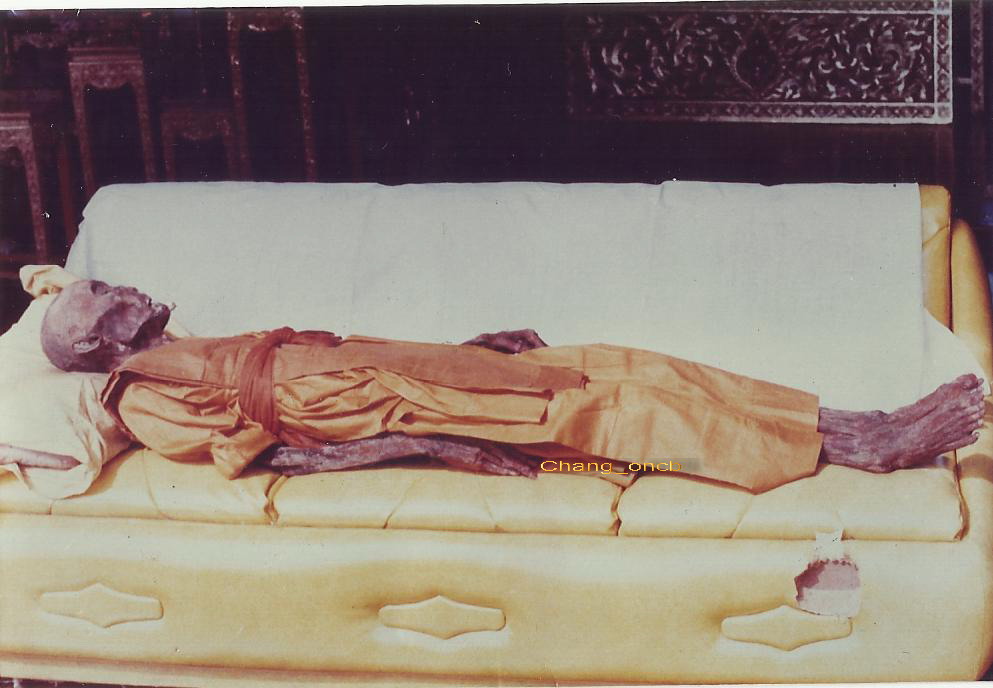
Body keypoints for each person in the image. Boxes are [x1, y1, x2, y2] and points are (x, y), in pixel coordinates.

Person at [16, 278, 988, 493]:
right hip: (423, 411)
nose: (121, 288)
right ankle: (854, 450)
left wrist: (464, 346)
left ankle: (845, 418)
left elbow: (334, 356)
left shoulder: (190, 341)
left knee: (629, 361)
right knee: (615, 408)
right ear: (98, 340)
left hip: (423, 370)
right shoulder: (143, 401)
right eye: (102, 296)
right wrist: (433, 442)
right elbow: (277, 455)